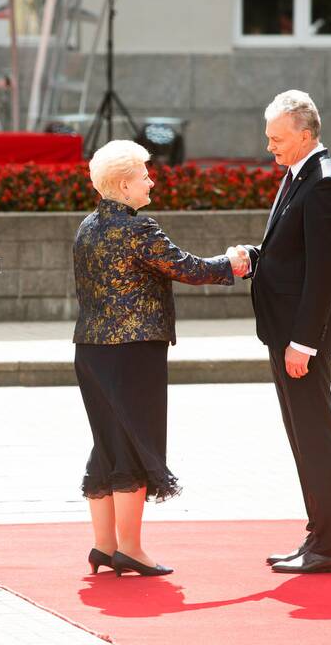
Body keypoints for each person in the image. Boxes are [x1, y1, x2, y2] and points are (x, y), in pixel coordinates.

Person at [73, 140, 248, 577]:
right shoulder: (138, 228)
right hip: (133, 352)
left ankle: (104, 545)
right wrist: (232, 264)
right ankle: (130, 550)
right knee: (133, 442)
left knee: (108, 443)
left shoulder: (86, 226)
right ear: (123, 184)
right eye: (144, 175)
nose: (151, 180)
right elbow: (186, 267)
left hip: (91, 350)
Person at [231, 89, 331, 575]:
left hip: (302, 338)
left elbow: (323, 271)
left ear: (305, 135)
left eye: (277, 138)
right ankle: (316, 538)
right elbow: (293, 253)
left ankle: (330, 546)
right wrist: (256, 258)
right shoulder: (297, 174)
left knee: (315, 437)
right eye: (268, 138)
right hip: (282, 333)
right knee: (301, 438)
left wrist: (303, 341)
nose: (270, 147)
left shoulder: (324, 182)